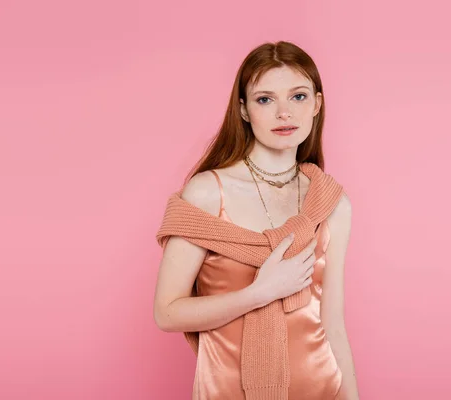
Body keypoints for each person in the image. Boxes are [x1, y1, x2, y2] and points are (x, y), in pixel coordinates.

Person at [153, 41, 360, 400]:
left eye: (298, 96)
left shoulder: (332, 203)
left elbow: (333, 327)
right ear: (244, 110)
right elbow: (167, 313)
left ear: (317, 104)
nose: (285, 113)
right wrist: (258, 293)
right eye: (265, 99)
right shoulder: (206, 193)